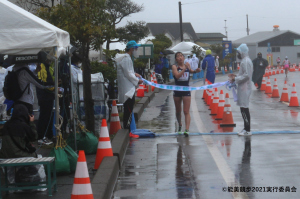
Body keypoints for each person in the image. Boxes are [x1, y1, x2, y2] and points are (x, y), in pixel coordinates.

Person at [116, 40, 143, 133]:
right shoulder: (126, 58)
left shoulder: (126, 58)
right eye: (136, 48)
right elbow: (128, 74)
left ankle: (128, 129)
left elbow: (128, 71)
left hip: (128, 88)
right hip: (128, 90)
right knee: (128, 110)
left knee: (128, 109)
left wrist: (135, 74)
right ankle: (127, 130)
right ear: (132, 49)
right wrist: (137, 80)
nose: (137, 50)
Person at [172, 52, 201, 136]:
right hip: (177, 90)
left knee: (186, 111)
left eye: (181, 56)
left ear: (183, 58)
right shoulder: (174, 67)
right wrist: (184, 69)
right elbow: (177, 76)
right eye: (178, 56)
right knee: (178, 111)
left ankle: (187, 129)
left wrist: (196, 71)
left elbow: (191, 71)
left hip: (186, 90)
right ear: (176, 59)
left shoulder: (187, 65)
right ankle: (180, 124)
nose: (180, 57)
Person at [229, 43, 253, 136]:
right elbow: (243, 74)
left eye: (238, 52)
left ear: (242, 52)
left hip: (245, 88)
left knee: (244, 108)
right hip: (243, 87)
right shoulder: (245, 61)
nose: (237, 54)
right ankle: (246, 128)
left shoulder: (245, 61)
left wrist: (236, 79)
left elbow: (246, 75)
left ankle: (247, 129)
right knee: (243, 108)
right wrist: (236, 77)